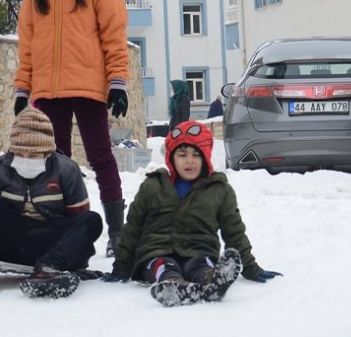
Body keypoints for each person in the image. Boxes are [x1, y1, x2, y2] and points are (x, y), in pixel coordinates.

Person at [14, 0, 130, 258]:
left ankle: (117, 232)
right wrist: (22, 89)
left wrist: (118, 82)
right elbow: (28, 49)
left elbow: (114, 40)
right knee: (56, 163)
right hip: (49, 92)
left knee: (100, 157)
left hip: (88, 88)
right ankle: (61, 229)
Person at [103, 121, 281, 307]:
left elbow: (234, 231)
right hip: (157, 252)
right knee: (162, 265)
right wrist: (121, 268)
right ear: (171, 157)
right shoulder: (153, 187)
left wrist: (250, 267)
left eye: (196, 154)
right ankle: (173, 285)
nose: (189, 160)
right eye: (182, 155)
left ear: (206, 157)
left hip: (199, 251)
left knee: (203, 265)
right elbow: (133, 228)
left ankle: (212, 282)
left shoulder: (218, 190)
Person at [0, 107, 104, 298]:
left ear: (47, 152)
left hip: (49, 244)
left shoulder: (67, 171)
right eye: (20, 154)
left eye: (33, 156)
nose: (26, 160)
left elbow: (78, 223)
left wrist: (74, 258)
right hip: (9, 240)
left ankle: (49, 270)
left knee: (92, 220)